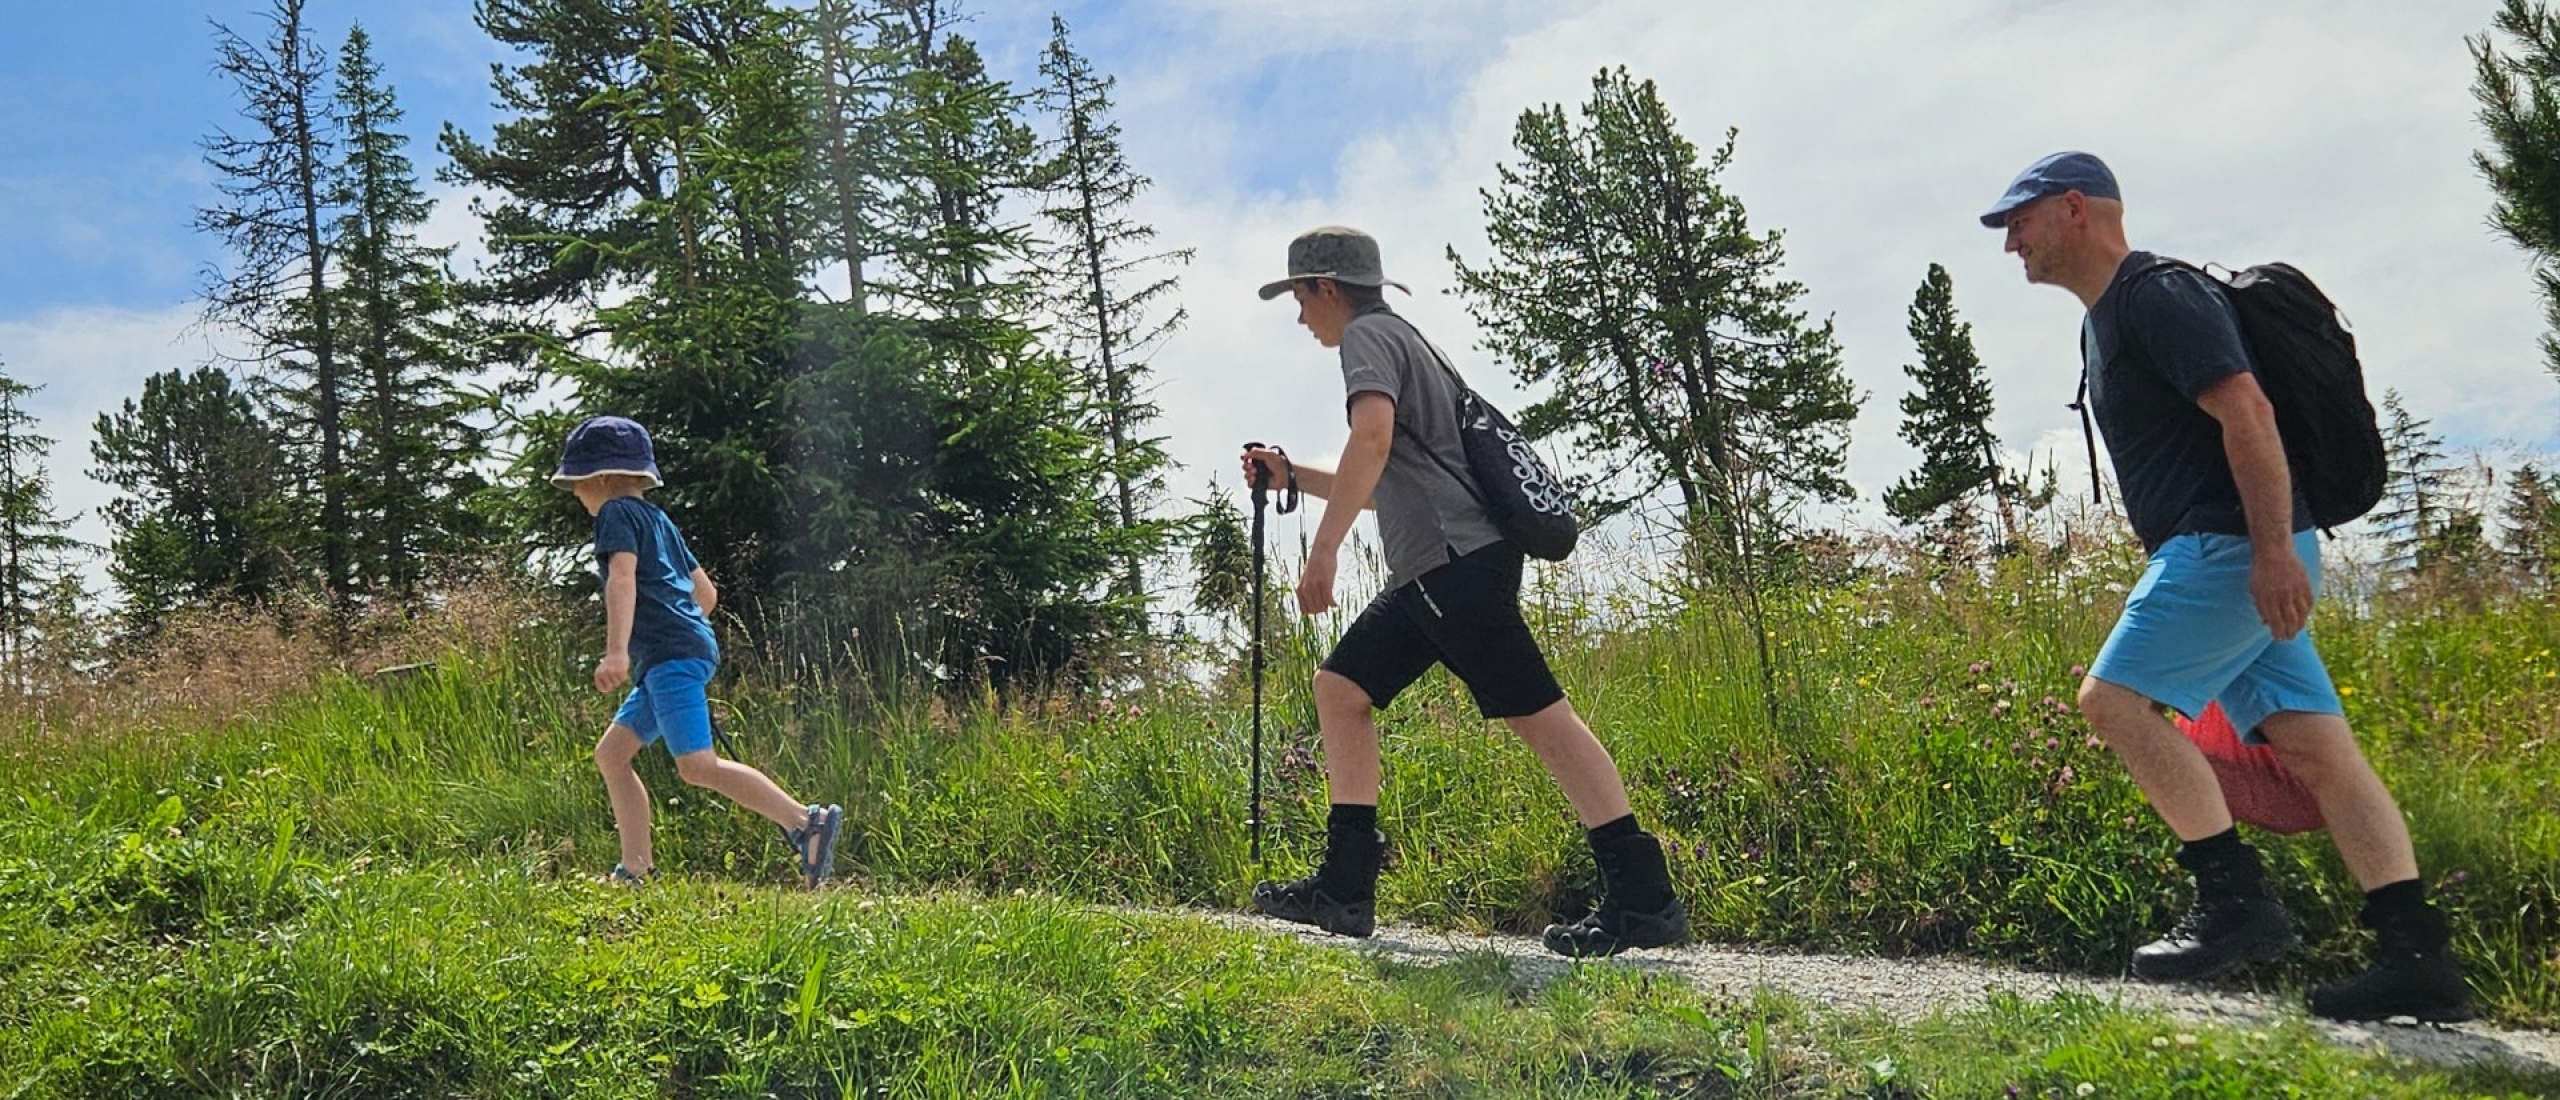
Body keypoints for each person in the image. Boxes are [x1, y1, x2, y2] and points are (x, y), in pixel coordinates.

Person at [1985, 152, 2471, 1021]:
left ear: (2075, 210)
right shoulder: (2103, 322)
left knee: (2112, 702)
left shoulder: (2156, 294)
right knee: (2320, 753)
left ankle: (2234, 903)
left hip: (2226, 548)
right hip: (2236, 552)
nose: (2010, 242)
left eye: (2019, 221)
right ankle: (2417, 957)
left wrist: (2274, 551)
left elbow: (2247, 408)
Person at [1240, 226, 1688, 958]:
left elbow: (1372, 441)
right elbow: (1391, 484)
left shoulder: (1367, 340)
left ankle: (1644, 899)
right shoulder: (1404, 339)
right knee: (1340, 688)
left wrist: (1322, 552)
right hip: (1436, 570)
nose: (1298, 316)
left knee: (1542, 719)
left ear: (1327, 287)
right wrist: (1295, 478)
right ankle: (1344, 891)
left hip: (1455, 569)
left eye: (1298, 297)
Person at [552, 415, 843, 890]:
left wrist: (617, 653)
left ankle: (804, 822)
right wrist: (682, 634)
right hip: (676, 653)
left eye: (578, 484)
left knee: (697, 766)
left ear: (602, 477)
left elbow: (622, 580)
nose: (577, 495)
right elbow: (705, 595)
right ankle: (636, 868)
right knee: (613, 754)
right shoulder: (659, 520)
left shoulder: (615, 515)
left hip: (667, 656)